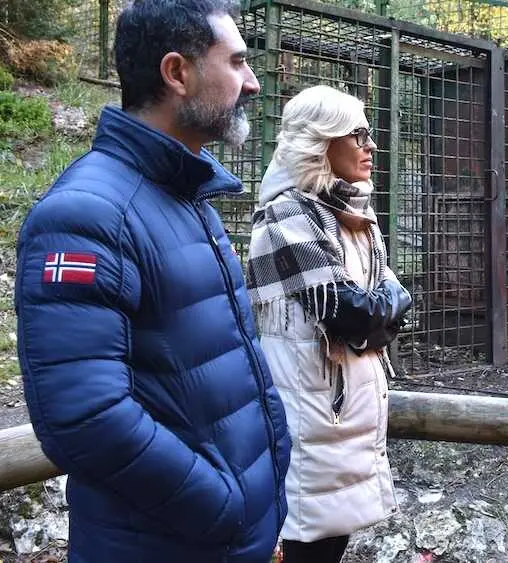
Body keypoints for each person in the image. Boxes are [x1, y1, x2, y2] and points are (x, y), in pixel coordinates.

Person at [14, 0, 291, 561]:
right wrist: (224, 507)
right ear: (177, 73)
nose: (254, 83)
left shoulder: (186, 196)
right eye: (237, 62)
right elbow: (85, 419)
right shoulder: (85, 216)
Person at [246, 85, 411, 563]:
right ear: (321, 141)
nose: (371, 145)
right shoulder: (285, 214)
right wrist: (375, 313)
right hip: (310, 411)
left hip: (348, 408)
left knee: (331, 541)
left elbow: (393, 302)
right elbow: (352, 312)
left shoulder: (354, 213)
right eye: (358, 134)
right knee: (307, 542)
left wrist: (375, 312)